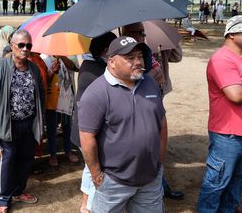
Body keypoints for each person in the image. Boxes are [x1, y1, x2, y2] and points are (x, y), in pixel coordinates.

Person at [79, 36, 167, 212]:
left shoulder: (149, 83)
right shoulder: (97, 93)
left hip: (150, 180)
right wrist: (97, 176)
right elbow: (87, 137)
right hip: (113, 182)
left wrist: (159, 163)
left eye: (140, 57)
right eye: (130, 58)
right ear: (111, 62)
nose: (137, 62)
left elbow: (161, 124)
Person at [0, 30, 44, 213]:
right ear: (12, 45)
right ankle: (3, 199)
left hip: (29, 122)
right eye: (21, 45)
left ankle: (18, 191)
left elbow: (39, 96)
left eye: (29, 46)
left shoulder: (33, 68)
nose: (25, 49)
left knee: (26, 159)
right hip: (8, 124)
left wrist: (40, 122)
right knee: (8, 160)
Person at [123, 22, 184, 200]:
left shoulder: (157, 37)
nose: (142, 36)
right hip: (137, 100)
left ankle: (160, 183)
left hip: (157, 94)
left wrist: (172, 39)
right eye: (138, 33)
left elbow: (177, 57)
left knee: (155, 137)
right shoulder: (125, 53)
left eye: (143, 33)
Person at [197, 15, 242, 212]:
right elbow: (236, 94)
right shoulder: (222, 59)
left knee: (236, 182)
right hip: (227, 133)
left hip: (237, 131)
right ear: (232, 34)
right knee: (217, 182)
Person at [70, 32, 117, 213]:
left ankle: (85, 206)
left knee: (89, 169)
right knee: (96, 171)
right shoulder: (96, 72)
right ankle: (90, 206)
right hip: (89, 134)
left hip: (86, 131)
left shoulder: (91, 65)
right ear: (106, 51)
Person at [41, 54, 79, 166]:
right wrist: (52, 71)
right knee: (51, 128)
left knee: (67, 126)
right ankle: (52, 154)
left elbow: (74, 67)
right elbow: (44, 79)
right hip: (51, 97)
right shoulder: (44, 58)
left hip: (66, 96)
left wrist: (62, 57)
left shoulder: (70, 55)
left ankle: (68, 151)